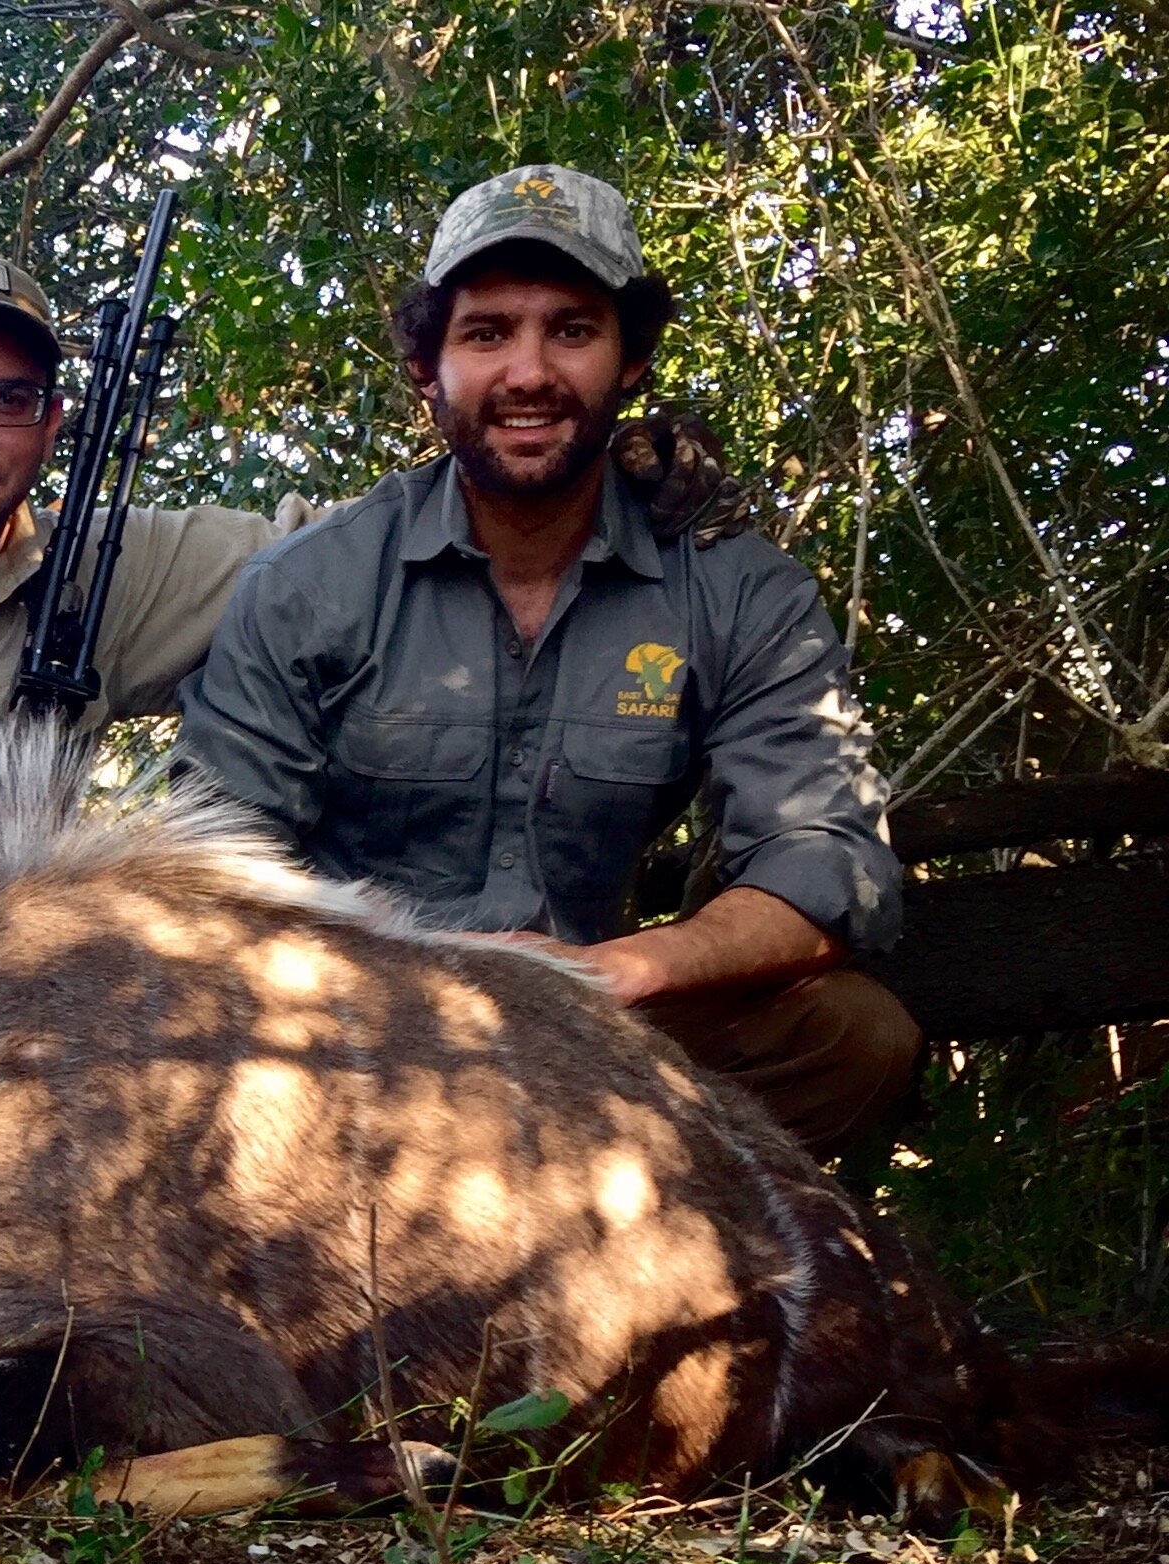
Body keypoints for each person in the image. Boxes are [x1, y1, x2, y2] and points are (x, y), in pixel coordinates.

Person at [0, 247, 741, 928]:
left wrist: (596, 483)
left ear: (53, 424)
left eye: (10, 400)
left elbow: (343, 550)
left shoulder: (115, 563)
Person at [176, 165, 918, 1160]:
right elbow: (211, 881)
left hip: (602, 1031)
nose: (528, 372)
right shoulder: (307, 587)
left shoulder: (735, 588)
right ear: (426, 369)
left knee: (851, 1035)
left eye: (570, 329)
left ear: (631, 360)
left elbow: (830, 861)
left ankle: (614, 1241)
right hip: (351, 1041)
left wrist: (618, 971)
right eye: (486, 333)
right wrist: (396, 991)